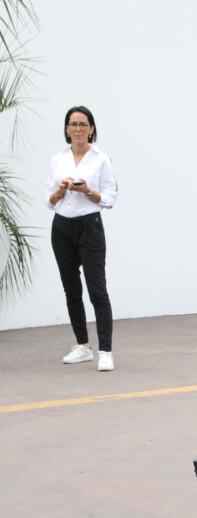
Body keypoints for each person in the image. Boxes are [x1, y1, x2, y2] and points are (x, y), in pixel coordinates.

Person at [45, 106, 119, 371]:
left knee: (97, 289)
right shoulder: (58, 159)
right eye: (73, 124)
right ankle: (83, 346)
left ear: (91, 129)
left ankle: (106, 350)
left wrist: (88, 191)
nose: (78, 129)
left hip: (89, 226)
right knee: (71, 289)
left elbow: (110, 198)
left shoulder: (100, 160)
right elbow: (48, 200)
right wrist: (60, 191)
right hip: (62, 227)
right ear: (67, 129)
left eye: (83, 124)